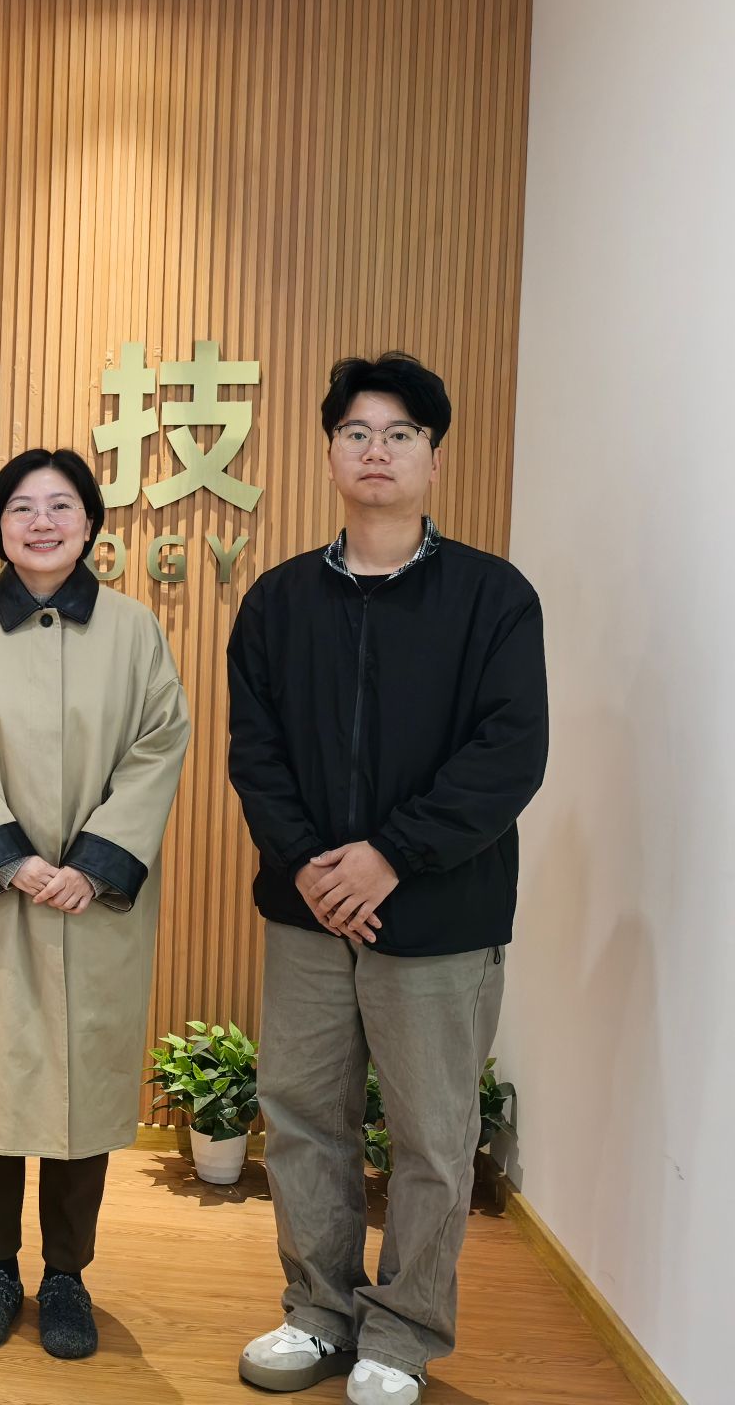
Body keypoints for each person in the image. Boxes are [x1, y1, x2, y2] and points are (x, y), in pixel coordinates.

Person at [228, 354, 548, 1405]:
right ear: (329, 453)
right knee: (303, 1120)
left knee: (431, 1140)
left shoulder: (492, 598)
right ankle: (317, 1313)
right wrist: (313, 868)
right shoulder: (278, 601)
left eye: (399, 434)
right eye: (356, 432)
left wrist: (389, 857)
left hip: (440, 915)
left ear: (432, 458)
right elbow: (255, 754)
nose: (376, 451)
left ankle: (401, 1336)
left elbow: (508, 753)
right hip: (307, 913)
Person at [0, 447, 190, 1360]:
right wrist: (12, 859)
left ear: (90, 523)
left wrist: (94, 865)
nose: (41, 522)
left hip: (92, 903)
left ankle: (67, 1273)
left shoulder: (135, 631)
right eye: (22, 507)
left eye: (61, 505)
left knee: (80, 1085)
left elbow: (159, 745)